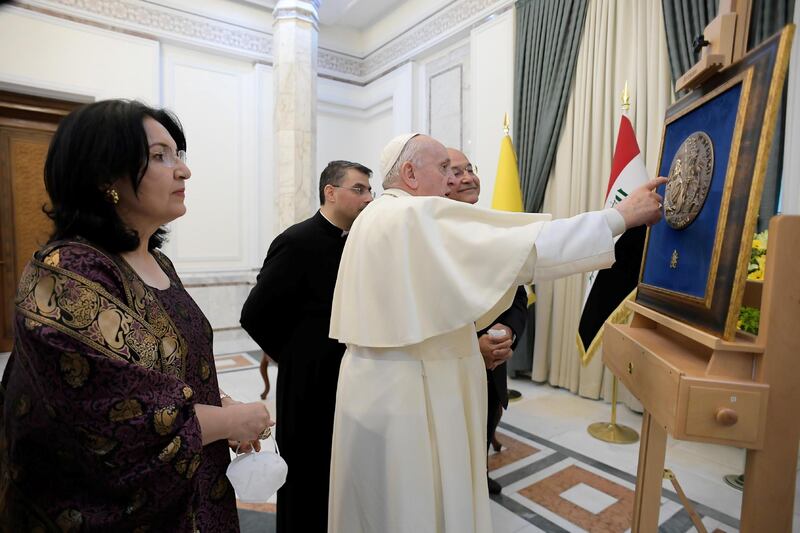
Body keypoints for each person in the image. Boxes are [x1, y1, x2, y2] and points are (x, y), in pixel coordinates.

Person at [327, 133, 666, 533]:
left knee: (379, 503)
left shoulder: (372, 217)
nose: (452, 180)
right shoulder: (414, 215)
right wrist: (620, 217)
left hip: (371, 388)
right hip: (414, 392)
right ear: (409, 173)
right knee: (419, 503)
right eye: (444, 170)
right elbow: (528, 247)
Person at [0, 100, 272, 532]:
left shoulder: (159, 262)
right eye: (160, 156)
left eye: (178, 155)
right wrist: (227, 421)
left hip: (196, 491)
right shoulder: (69, 273)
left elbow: (171, 372)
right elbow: (109, 415)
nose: (183, 170)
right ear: (105, 176)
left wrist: (219, 406)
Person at [240, 160, 373, 533]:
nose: (368, 198)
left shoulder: (360, 244)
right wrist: (296, 357)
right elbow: (254, 314)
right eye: (359, 189)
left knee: (341, 471)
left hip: (350, 377)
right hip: (308, 383)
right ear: (331, 192)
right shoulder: (296, 241)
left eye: (369, 190)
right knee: (306, 475)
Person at [446, 147, 527, 496]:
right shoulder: (429, 234)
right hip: (449, 366)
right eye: (456, 171)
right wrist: (470, 345)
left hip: (493, 362)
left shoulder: (496, 229)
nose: (468, 177)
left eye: (470, 169)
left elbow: (518, 296)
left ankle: (478, 474)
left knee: (487, 420)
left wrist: (507, 331)